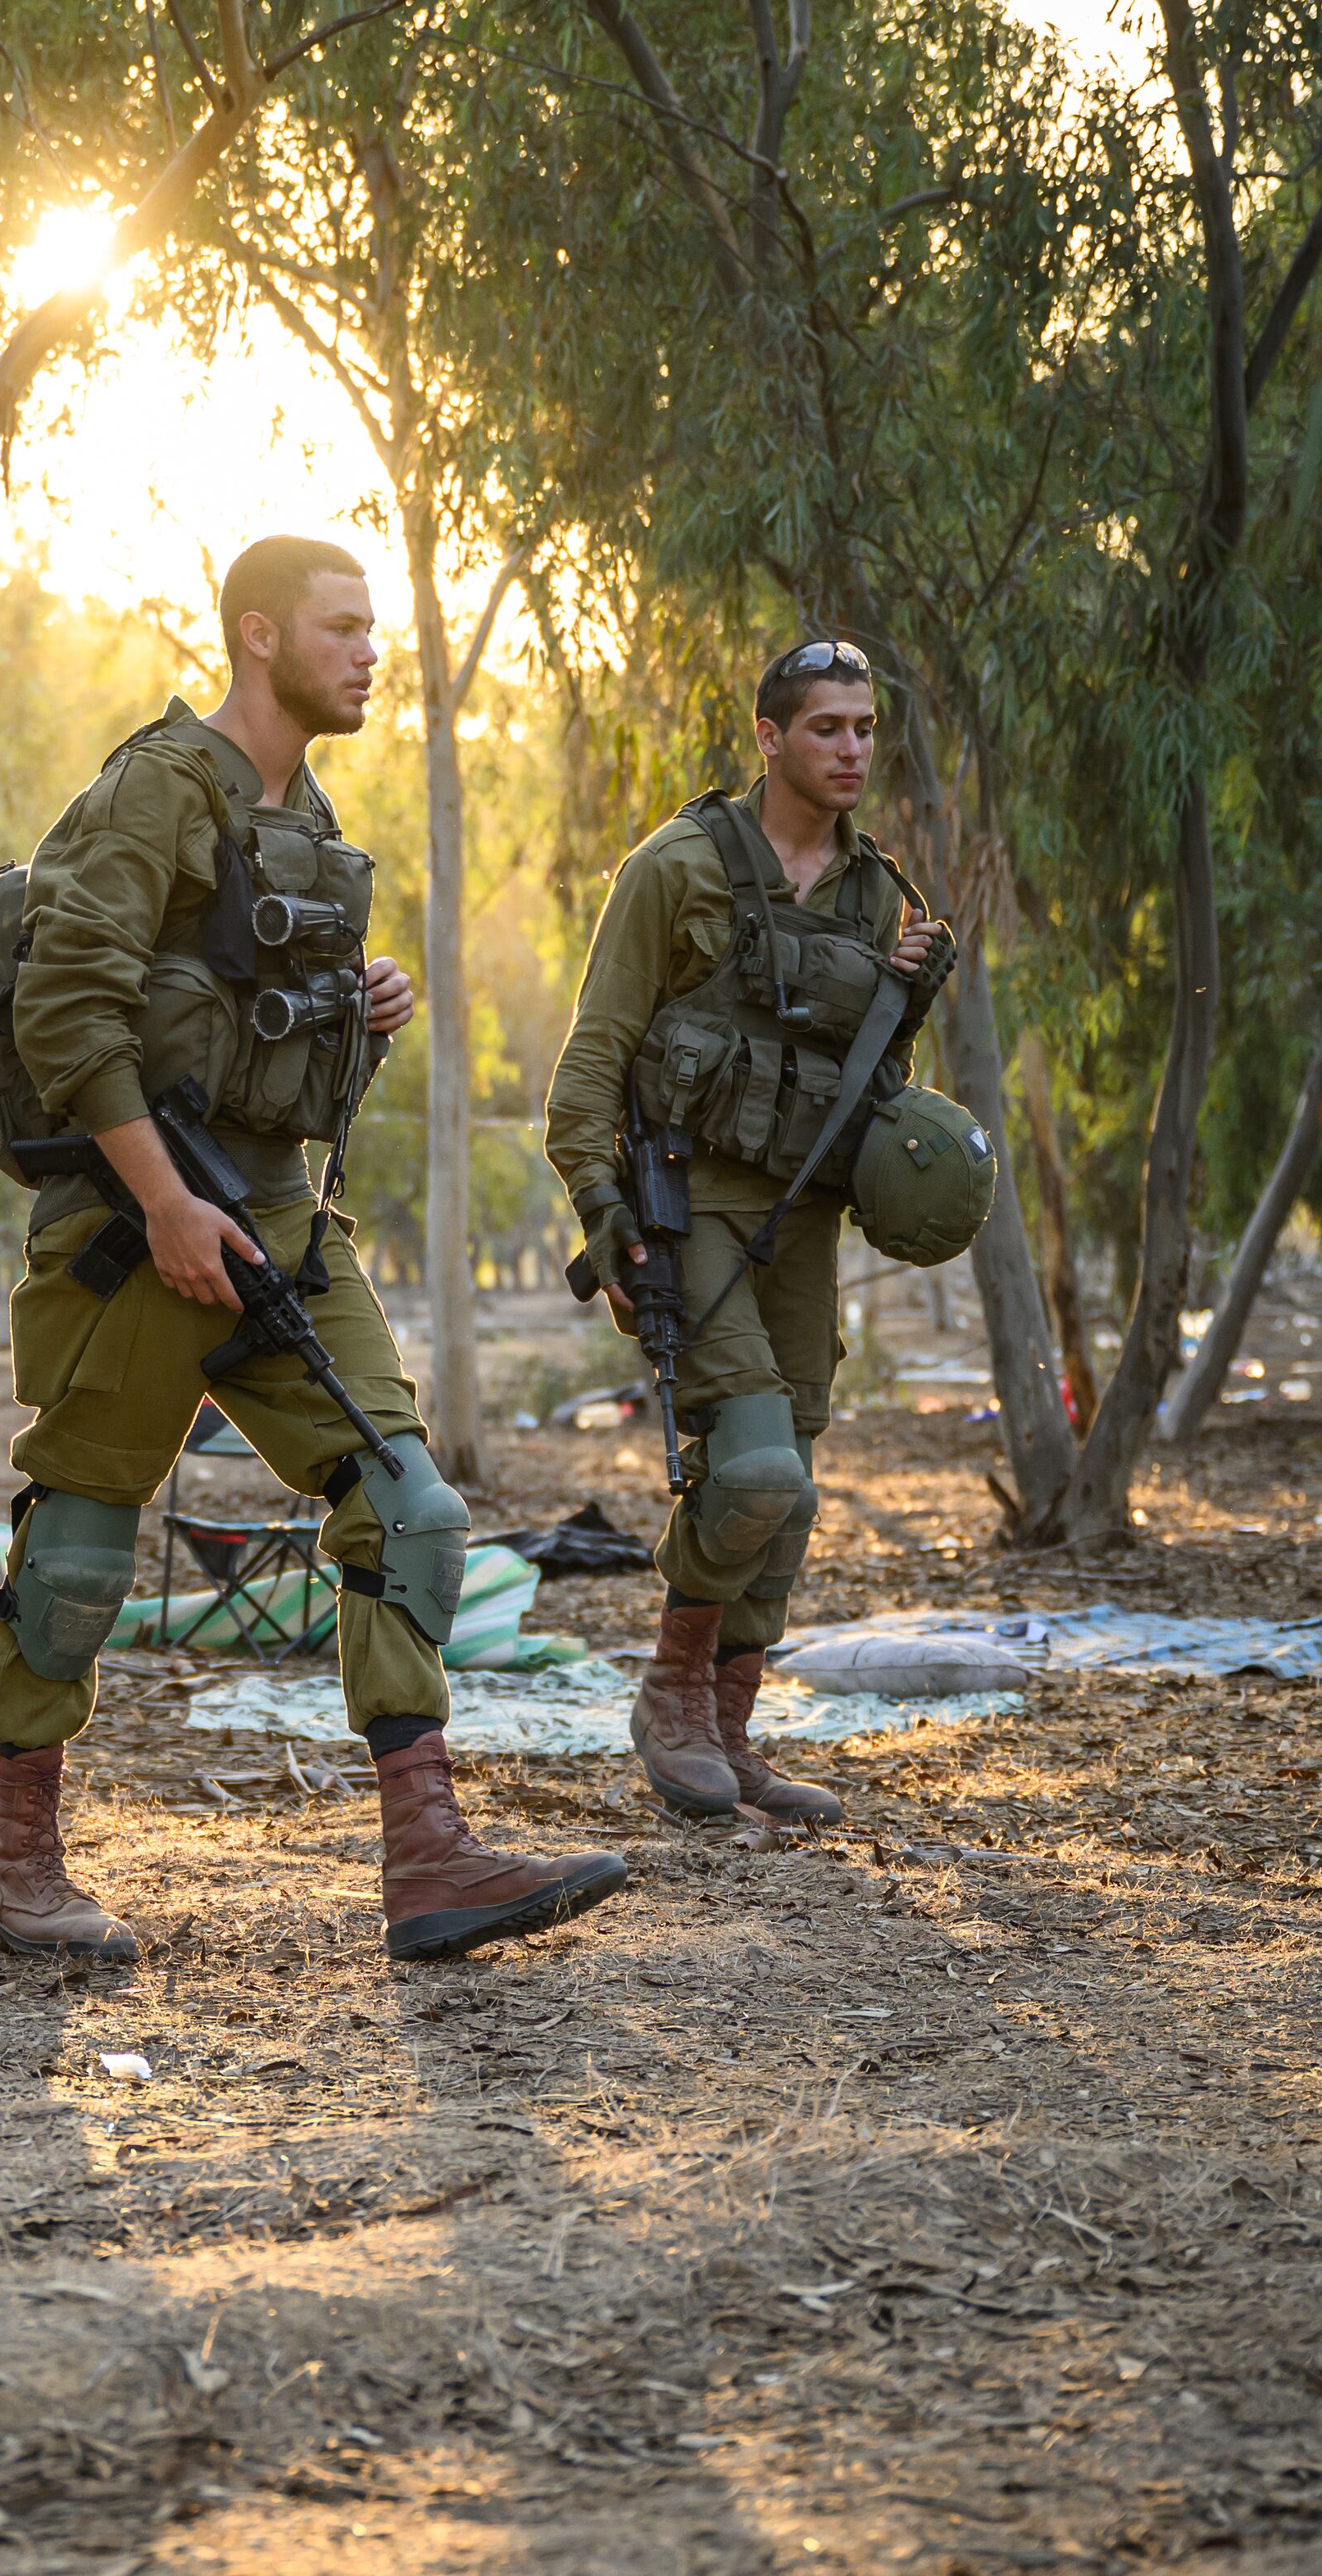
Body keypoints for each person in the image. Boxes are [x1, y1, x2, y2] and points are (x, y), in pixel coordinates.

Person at [0, 536, 630, 1966]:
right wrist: (159, 1203)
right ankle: (22, 1864)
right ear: (258, 637)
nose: (370, 651)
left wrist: (360, 996)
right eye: (342, 628)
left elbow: (245, 1001)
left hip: (276, 1219)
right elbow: (67, 1012)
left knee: (413, 1508)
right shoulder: (154, 788)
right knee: (79, 1543)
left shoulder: (309, 817)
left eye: (374, 628)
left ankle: (426, 1854)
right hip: (131, 1228)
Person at [542, 639, 966, 1825]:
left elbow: (873, 1092)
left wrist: (904, 1005)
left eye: (866, 728)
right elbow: (591, 1063)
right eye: (826, 727)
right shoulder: (676, 869)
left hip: (803, 1220)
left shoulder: (879, 896)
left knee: (797, 1491)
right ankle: (671, 1698)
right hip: (692, 1208)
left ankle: (732, 1732)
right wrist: (603, 1210)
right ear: (770, 739)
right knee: (756, 1469)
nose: (851, 749)